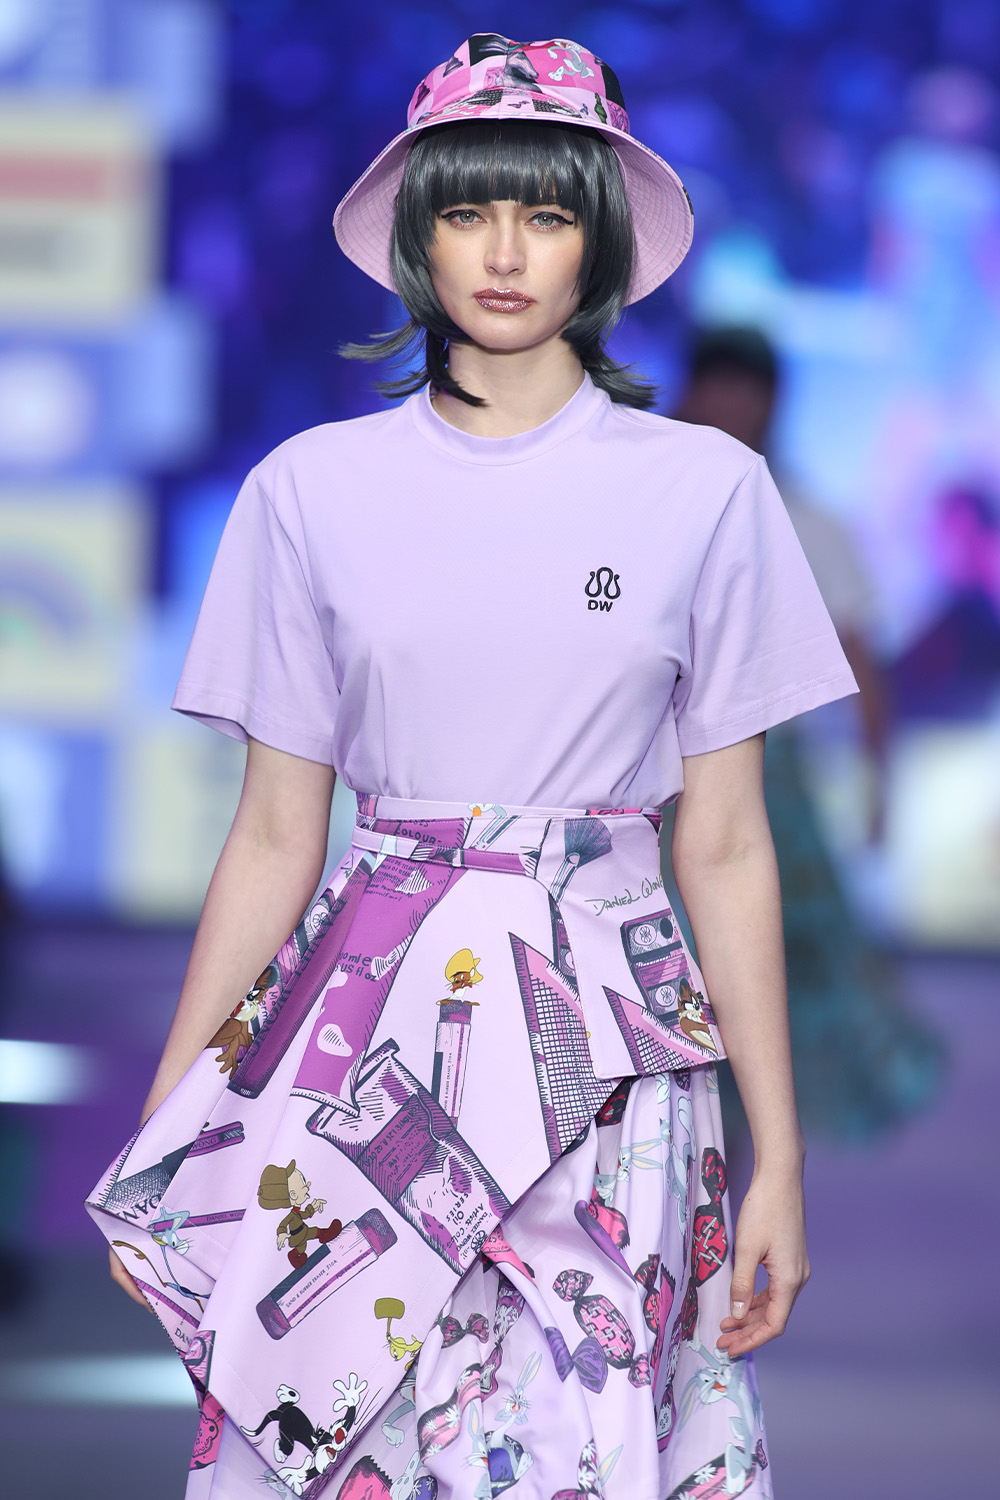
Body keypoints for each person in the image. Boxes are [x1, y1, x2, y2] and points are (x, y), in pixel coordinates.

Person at [88, 36, 858, 1500]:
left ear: (600, 241)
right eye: (468, 211)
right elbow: (274, 838)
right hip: (362, 1045)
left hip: (611, 1055)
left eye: (547, 213)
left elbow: (724, 844)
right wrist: (169, 1127)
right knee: (348, 1433)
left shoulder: (706, 493)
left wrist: (782, 1160)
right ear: (417, 236)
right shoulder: (310, 492)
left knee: (587, 1440)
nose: (505, 254)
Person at [672, 325, 942, 1161]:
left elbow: (864, 664)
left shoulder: (807, 522)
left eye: (747, 389)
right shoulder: (630, 497)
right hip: (634, 786)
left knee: (751, 993)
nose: (731, 404)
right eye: (718, 384)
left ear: (773, 404)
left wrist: (881, 789)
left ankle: (735, 1179)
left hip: (760, 793)